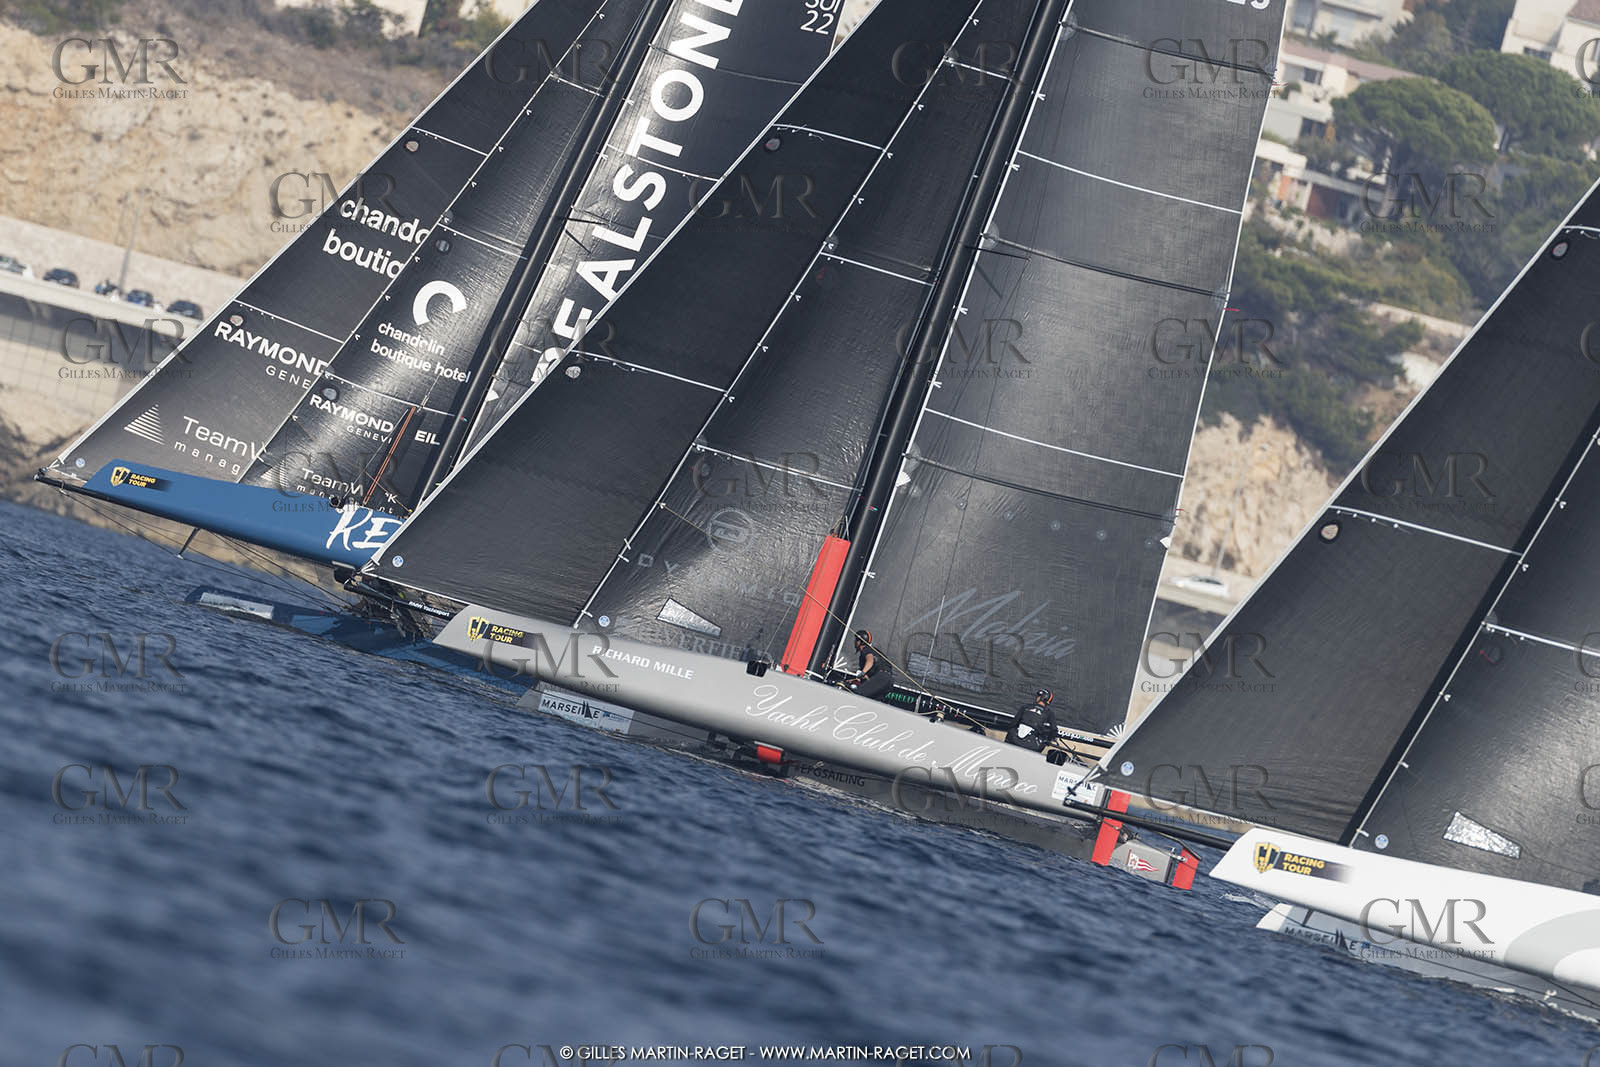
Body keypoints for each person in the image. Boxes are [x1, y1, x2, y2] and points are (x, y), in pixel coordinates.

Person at [844, 629, 894, 701]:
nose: (854, 642)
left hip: (882, 677)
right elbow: (868, 677)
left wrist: (863, 672)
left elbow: (870, 660)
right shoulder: (873, 651)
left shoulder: (866, 649)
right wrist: (857, 679)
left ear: (860, 641)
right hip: (889, 681)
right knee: (871, 701)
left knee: (858, 694)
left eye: (856, 640)